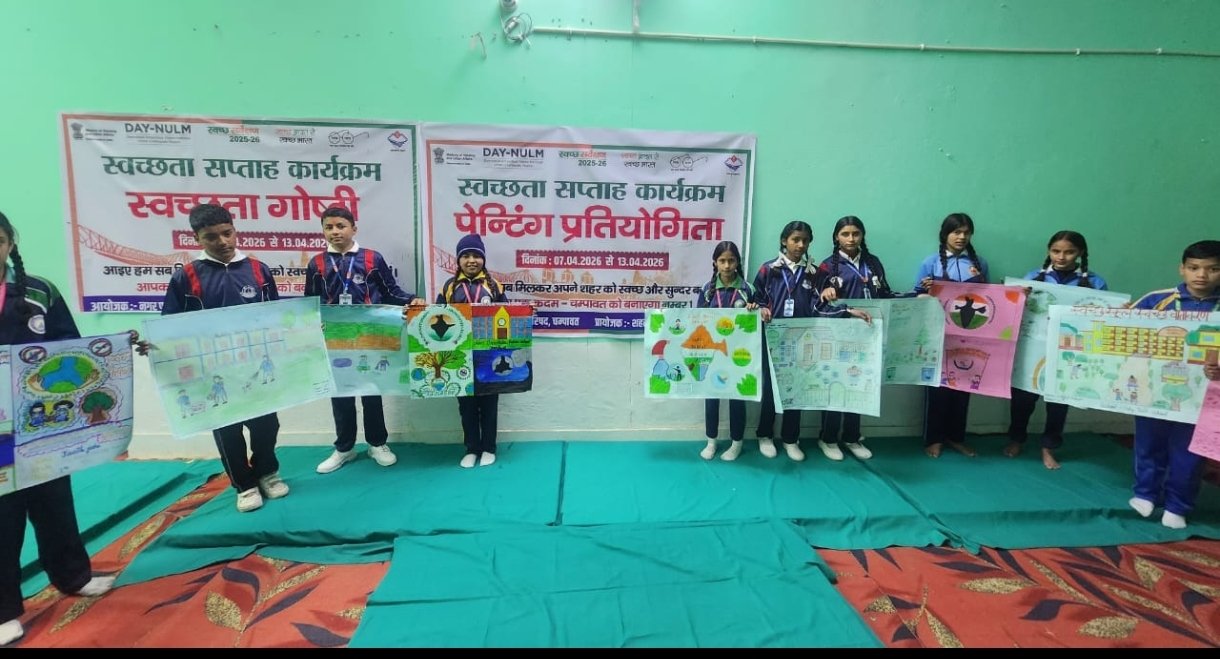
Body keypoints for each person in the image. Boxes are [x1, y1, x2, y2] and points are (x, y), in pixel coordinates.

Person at [0, 211, 114, 646]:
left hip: (42, 421)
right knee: (3, 514)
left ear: (10, 243)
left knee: (54, 502)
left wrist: (113, 349)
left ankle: (73, 575)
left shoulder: (39, 292)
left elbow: (71, 346)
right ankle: (3, 609)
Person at [145, 204, 286, 513]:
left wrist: (303, 331)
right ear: (197, 239)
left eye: (227, 233)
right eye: (211, 237)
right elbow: (169, 325)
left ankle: (267, 472)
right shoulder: (186, 276)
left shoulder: (258, 270)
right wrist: (155, 346)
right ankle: (244, 485)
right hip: (212, 373)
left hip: (255, 367)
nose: (222, 242)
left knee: (267, 425)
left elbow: (276, 315)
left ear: (235, 231)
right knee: (227, 431)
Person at [306, 207, 424, 475]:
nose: (335, 232)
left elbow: (390, 292)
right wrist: (312, 324)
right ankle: (344, 448)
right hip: (336, 340)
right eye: (329, 227)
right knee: (341, 395)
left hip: (371, 337)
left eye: (341, 226)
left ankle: (377, 444)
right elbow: (311, 302)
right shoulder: (317, 264)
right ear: (323, 231)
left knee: (372, 391)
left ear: (353, 229)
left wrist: (411, 300)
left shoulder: (372, 259)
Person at [754, 221, 872, 462]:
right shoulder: (769, 270)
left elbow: (820, 307)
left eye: (805, 241)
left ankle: (790, 439)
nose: (800, 245)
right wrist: (761, 309)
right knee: (770, 390)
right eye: (795, 239)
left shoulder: (815, 273)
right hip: (773, 339)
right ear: (784, 241)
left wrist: (847, 310)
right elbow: (757, 299)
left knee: (796, 390)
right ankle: (765, 435)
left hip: (803, 341)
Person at [1127, 240, 1220, 529]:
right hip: (1154, 390)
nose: (1201, 275)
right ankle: (1145, 494)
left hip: (1204, 397)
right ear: (1182, 269)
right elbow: (1126, 330)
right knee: (1148, 444)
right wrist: (1116, 314)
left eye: (1213, 269)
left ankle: (1178, 505)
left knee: (1190, 452)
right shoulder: (1157, 300)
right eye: (1194, 268)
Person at [1006, 231, 1110, 470]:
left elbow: (1103, 317)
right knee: (1022, 399)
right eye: (1056, 251)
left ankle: (1048, 447)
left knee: (1058, 402)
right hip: (1033, 348)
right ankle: (1016, 439)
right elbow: (1013, 309)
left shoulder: (1095, 283)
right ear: (1048, 251)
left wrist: (1118, 310)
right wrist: (1018, 297)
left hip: (1068, 351)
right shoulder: (1033, 277)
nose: (1061, 257)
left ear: (1080, 253)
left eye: (1069, 252)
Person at [816, 215, 913, 462]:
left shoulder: (873, 263)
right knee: (836, 387)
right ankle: (828, 438)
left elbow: (886, 295)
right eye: (845, 234)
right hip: (839, 337)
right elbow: (819, 307)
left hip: (868, 336)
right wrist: (837, 302)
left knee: (859, 385)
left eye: (855, 234)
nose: (851, 239)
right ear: (836, 237)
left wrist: (917, 295)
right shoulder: (826, 267)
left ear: (862, 236)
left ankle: (851, 437)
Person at [914, 213, 989, 459]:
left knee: (964, 386)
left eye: (966, 232)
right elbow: (917, 297)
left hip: (969, 335)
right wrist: (927, 292)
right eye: (956, 232)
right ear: (945, 234)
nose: (961, 237)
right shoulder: (930, 262)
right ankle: (933, 439)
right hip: (938, 334)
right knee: (937, 388)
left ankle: (956, 438)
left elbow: (989, 299)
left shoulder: (979, 263)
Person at [432, 234, 508, 468]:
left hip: (489, 355)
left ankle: (489, 448)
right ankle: (472, 448)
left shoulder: (494, 286)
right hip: (458, 355)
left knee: (489, 404)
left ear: (483, 259)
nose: (471, 260)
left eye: (476, 255)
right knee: (466, 406)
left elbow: (507, 316)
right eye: (466, 256)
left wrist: (526, 313)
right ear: (458, 260)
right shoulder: (449, 286)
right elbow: (435, 317)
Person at [695, 241, 758, 461]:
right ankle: (711, 441)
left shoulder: (748, 290)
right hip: (713, 354)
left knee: (737, 398)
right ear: (715, 262)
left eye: (731, 260)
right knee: (711, 397)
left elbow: (757, 321)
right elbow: (697, 320)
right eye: (722, 260)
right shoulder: (707, 290)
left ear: (738, 262)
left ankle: (736, 442)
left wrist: (753, 309)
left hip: (740, 355)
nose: (727, 265)